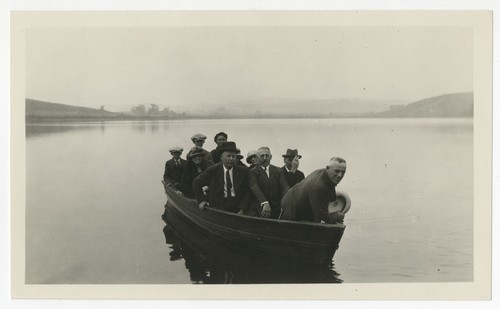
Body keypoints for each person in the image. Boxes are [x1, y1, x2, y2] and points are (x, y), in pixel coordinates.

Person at [280, 157, 347, 224]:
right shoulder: (319, 187)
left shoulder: (325, 173)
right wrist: (337, 216)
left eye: (343, 172)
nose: (340, 175)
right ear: (327, 168)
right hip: (291, 211)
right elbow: (321, 220)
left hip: (293, 199)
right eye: (337, 171)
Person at [193, 141, 251, 214]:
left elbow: (248, 191)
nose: (231, 159)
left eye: (233, 156)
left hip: (237, 207)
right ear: (221, 157)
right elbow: (196, 182)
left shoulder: (243, 171)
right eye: (228, 156)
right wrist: (201, 201)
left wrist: (243, 209)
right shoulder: (213, 170)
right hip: (218, 208)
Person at [248, 147, 290, 219]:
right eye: (262, 156)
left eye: (267, 156)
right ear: (257, 158)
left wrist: (286, 202)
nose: (265, 158)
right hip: (260, 208)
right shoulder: (252, 172)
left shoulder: (278, 171)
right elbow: (255, 188)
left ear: (271, 157)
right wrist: (264, 202)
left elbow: (285, 187)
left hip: (277, 208)